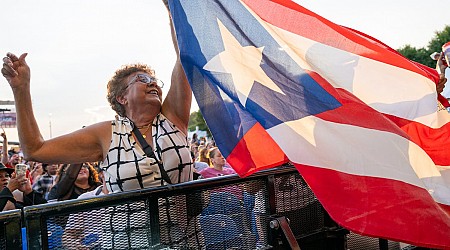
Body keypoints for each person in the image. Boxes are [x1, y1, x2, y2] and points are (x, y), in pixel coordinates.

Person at [1, 3, 193, 193]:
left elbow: (183, 56)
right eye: (142, 79)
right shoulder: (107, 133)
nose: (153, 83)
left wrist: (173, 9)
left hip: (184, 224)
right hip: (131, 224)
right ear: (122, 98)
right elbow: (34, 150)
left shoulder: (172, 118)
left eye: (154, 80)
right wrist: (21, 89)